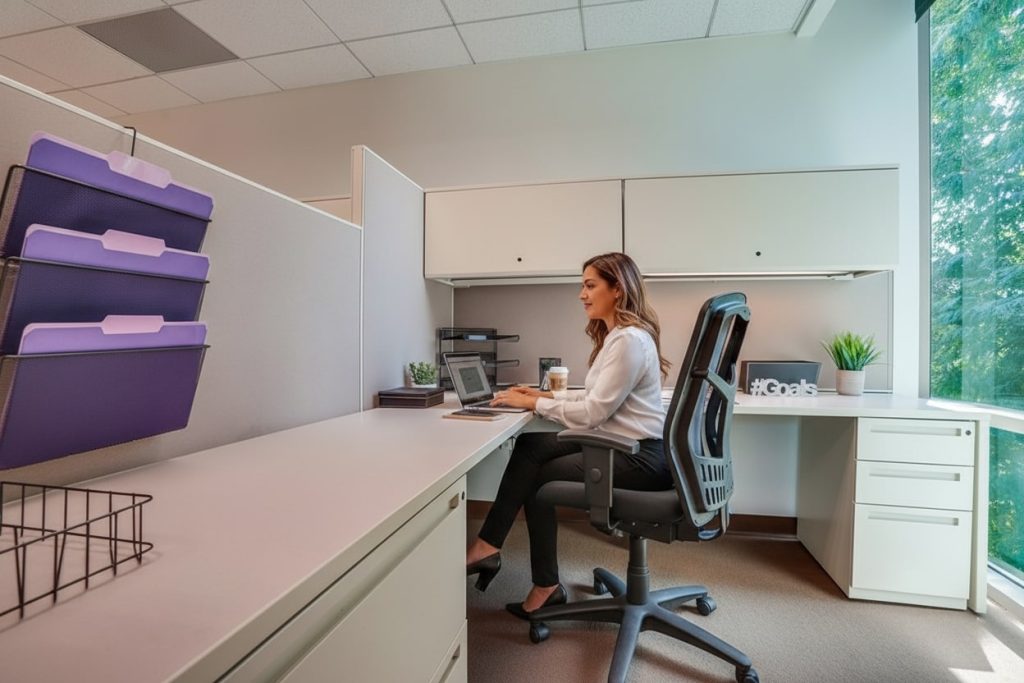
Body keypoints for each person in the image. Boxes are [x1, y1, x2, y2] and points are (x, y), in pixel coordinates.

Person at [465, 251, 673, 619]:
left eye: (590, 285)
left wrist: (535, 406)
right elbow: (595, 398)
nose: (582, 294)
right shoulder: (621, 338)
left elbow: (594, 412)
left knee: (539, 479)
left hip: (638, 456)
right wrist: (542, 395)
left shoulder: (628, 340)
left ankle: (543, 583)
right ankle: (488, 545)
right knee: (532, 445)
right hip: (623, 442)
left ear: (618, 290)